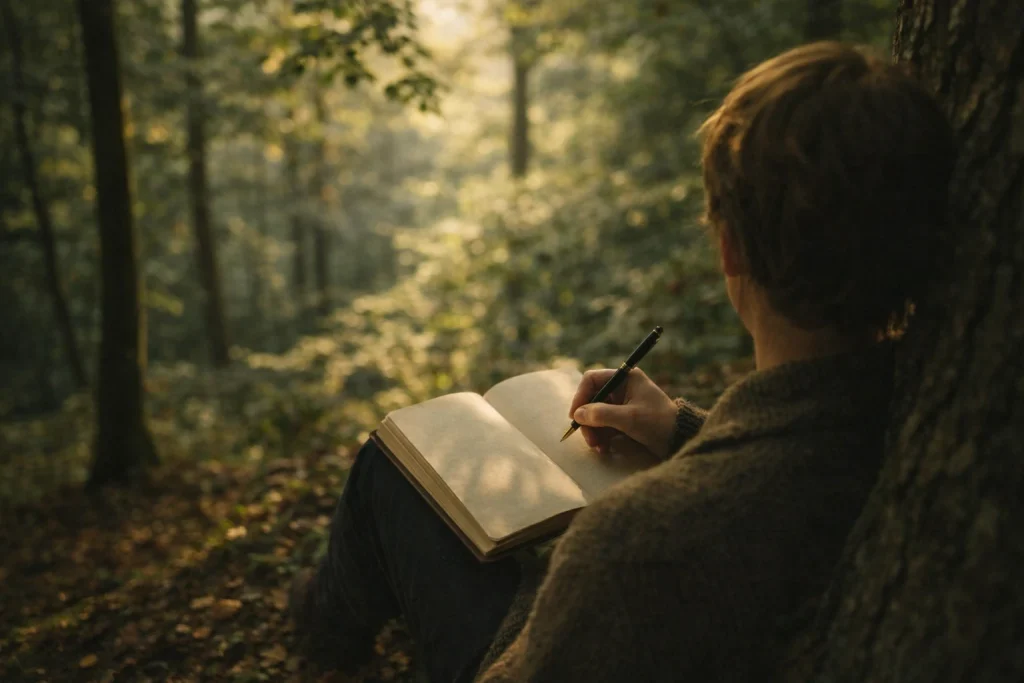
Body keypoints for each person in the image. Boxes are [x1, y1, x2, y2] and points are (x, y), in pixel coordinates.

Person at [289, 41, 955, 682]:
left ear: (730, 250)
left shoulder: (633, 544)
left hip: (531, 636)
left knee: (388, 465)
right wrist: (677, 430)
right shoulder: (930, 421)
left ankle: (324, 628)